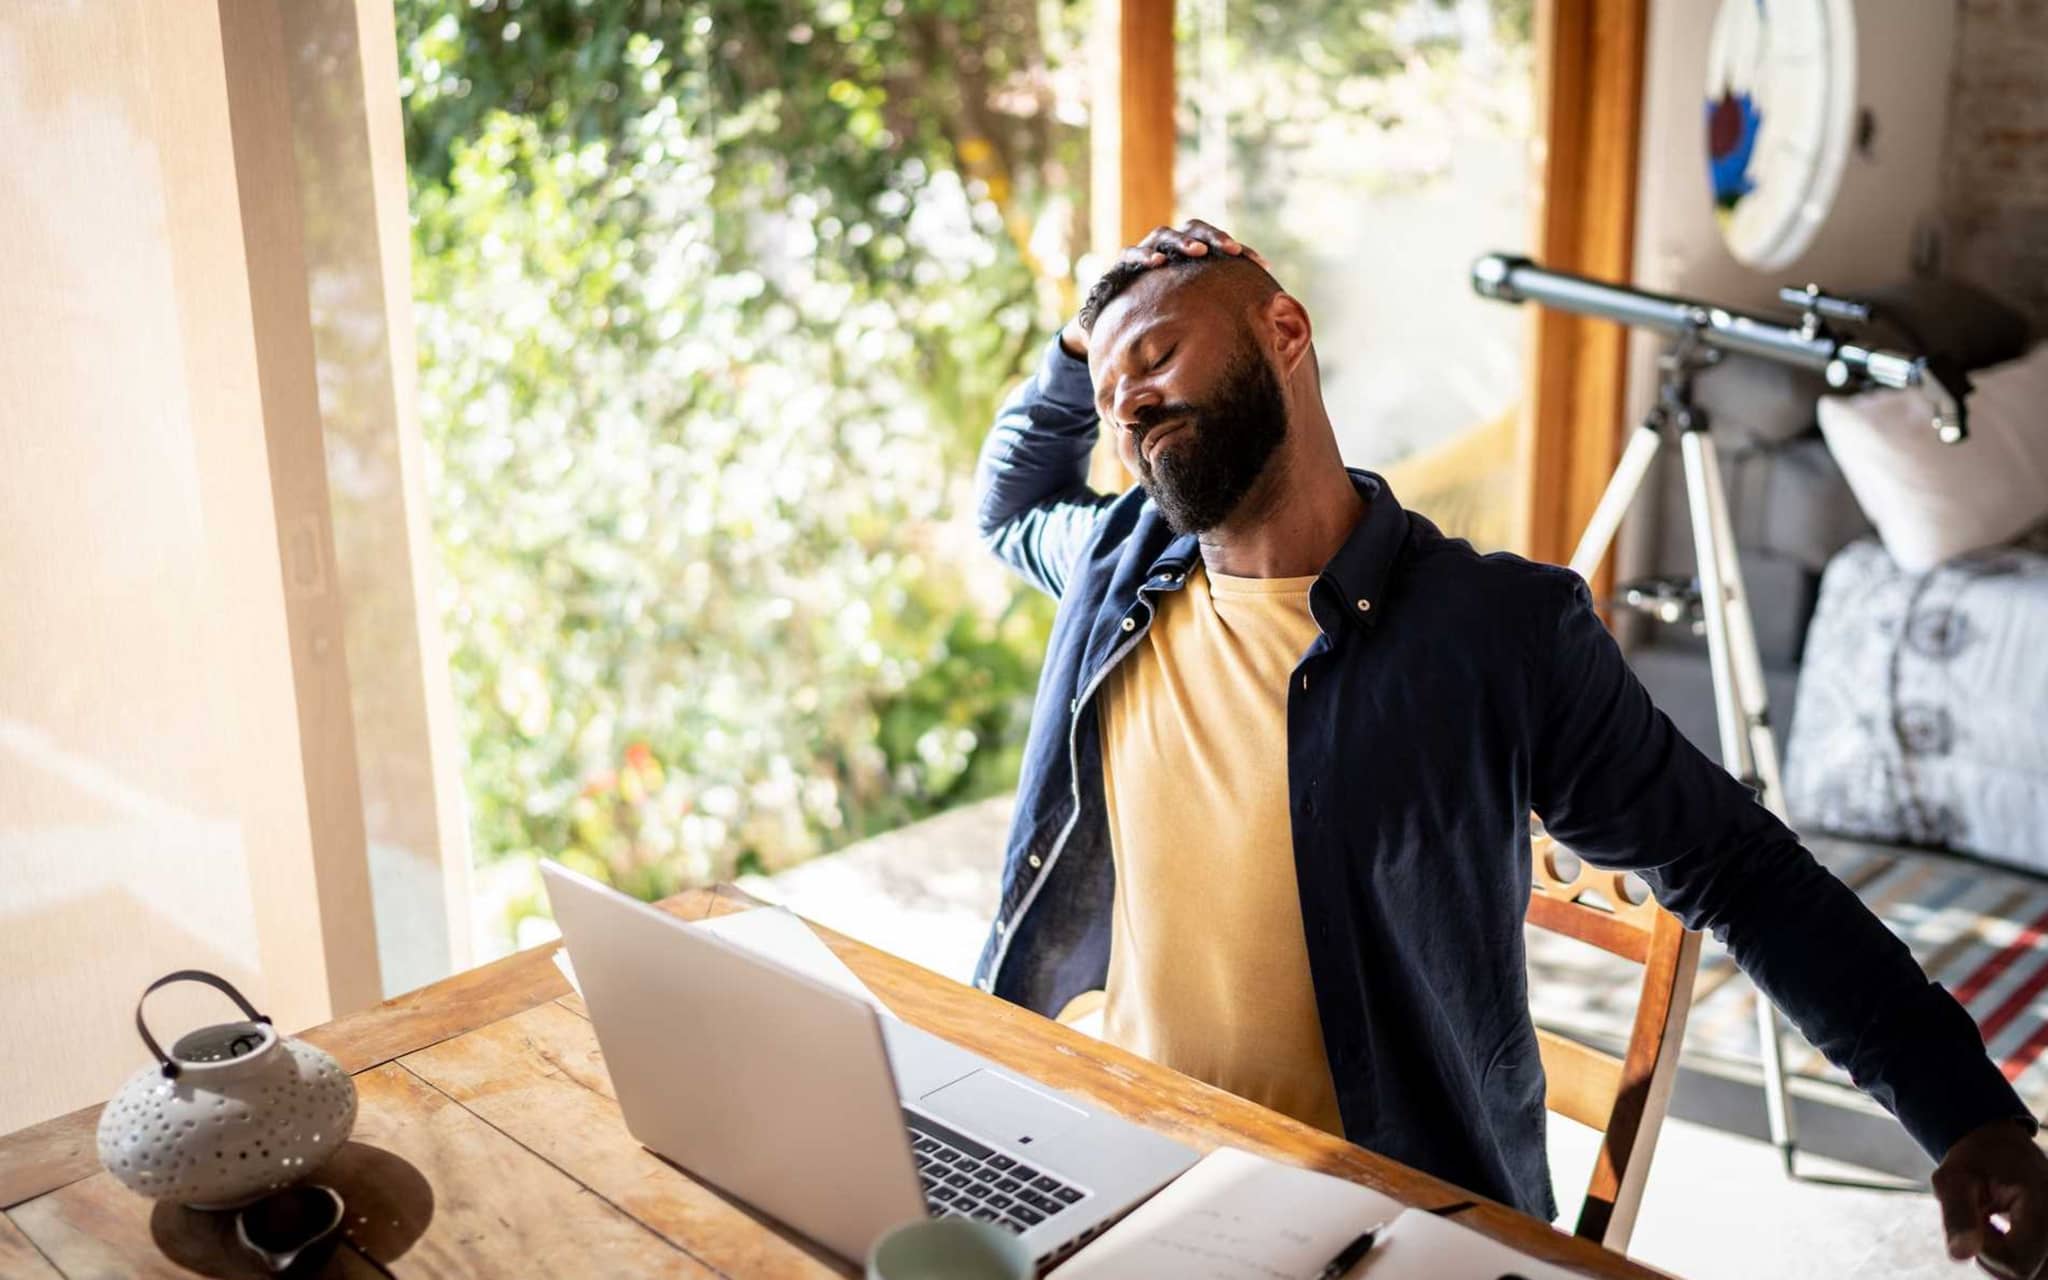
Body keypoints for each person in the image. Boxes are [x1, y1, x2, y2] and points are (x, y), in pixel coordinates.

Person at [969, 219, 2048, 1275]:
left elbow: (1739, 869)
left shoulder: (1492, 635)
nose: (1131, 405)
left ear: (1284, 331)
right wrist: (1083, 342)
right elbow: (1009, 501)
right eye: (1109, 398)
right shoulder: (1117, 562)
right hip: (1112, 1139)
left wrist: (1959, 1110)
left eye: (1154, 356)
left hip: (1364, 1212)